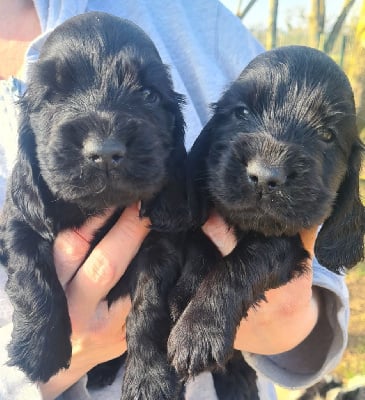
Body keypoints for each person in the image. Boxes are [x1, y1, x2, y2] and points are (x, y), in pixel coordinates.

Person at [0, 0, 349, 399]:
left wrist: (292, 323)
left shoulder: (198, 16)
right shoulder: (32, 181)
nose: (104, 142)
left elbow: (315, 272)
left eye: (147, 94)